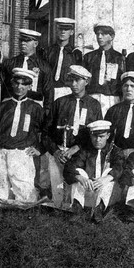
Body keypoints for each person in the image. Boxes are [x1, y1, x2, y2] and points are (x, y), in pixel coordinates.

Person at [0, 69, 46, 207]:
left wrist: (39, 149)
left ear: (30, 86)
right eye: (17, 83)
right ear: (12, 84)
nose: (20, 87)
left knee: (26, 197)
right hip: (0, 153)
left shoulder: (36, 108)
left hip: (22, 154)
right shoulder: (2, 107)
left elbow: (46, 132)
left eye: (24, 84)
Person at [41, 65, 103, 207]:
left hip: (80, 153)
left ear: (86, 82)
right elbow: (46, 133)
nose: (74, 85)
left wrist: (77, 147)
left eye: (78, 80)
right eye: (71, 80)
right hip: (59, 152)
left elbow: (97, 133)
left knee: (77, 189)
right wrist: (56, 151)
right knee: (58, 190)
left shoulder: (94, 105)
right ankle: (58, 211)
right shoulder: (60, 103)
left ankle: (76, 209)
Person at [62, 119, 124, 223]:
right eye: (94, 136)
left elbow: (120, 166)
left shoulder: (114, 150)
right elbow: (70, 167)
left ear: (108, 135)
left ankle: (98, 210)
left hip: (108, 191)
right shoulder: (85, 150)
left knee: (109, 172)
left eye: (101, 136)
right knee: (78, 172)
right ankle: (78, 209)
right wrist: (80, 178)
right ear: (90, 136)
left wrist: (107, 178)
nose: (97, 140)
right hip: (89, 189)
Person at [83, 22, 125, 116]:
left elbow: (122, 81)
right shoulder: (89, 57)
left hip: (112, 99)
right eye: (97, 34)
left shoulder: (119, 58)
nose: (100, 37)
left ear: (112, 36)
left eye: (104, 34)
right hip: (92, 97)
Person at [0, 28, 52, 105]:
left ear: (35, 44)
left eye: (27, 41)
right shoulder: (9, 64)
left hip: (35, 108)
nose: (23, 43)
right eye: (21, 40)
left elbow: (48, 93)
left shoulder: (44, 66)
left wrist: (45, 113)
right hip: (11, 107)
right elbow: (1, 89)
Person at [44, 17, 83, 101]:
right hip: (50, 90)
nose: (63, 32)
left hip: (67, 90)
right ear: (56, 30)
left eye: (66, 29)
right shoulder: (47, 51)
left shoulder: (75, 53)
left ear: (71, 32)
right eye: (60, 29)